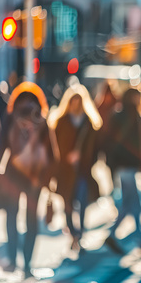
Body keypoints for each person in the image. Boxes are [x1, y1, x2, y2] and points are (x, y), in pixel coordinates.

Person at [0, 82, 58, 277]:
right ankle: (28, 265)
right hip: (35, 177)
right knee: (31, 220)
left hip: (13, 174)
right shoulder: (42, 119)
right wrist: (50, 177)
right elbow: (52, 152)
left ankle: (13, 261)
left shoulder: (11, 117)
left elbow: (1, 143)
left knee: (11, 216)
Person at [49, 84, 102, 251]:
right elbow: (55, 147)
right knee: (68, 204)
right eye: (74, 101)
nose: (76, 104)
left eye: (79, 101)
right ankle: (73, 234)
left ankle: (80, 234)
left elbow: (96, 149)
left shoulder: (89, 122)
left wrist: (85, 159)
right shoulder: (61, 121)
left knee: (83, 201)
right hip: (65, 171)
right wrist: (66, 157)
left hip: (83, 171)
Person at [104, 88, 141, 254]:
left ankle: (113, 235)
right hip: (126, 166)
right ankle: (140, 240)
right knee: (136, 205)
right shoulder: (129, 116)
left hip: (127, 166)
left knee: (128, 205)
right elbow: (123, 143)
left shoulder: (126, 115)